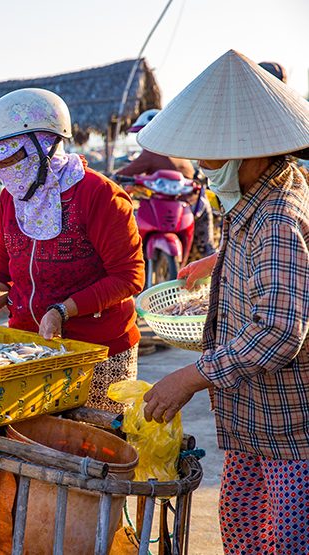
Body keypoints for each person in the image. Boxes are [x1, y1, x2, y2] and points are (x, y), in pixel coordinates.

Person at [138, 50, 309, 553]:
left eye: (213, 155)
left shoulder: (279, 215)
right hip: (249, 420)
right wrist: (215, 259)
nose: (206, 167)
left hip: (285, 428)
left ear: (254, 150)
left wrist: (189, 377)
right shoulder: (260, 195)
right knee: (245, 533)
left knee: (284, 542)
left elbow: (279, 330)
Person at [0, 88, 145, 413]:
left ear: (45, 146)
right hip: (28, 350)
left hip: (98, 351)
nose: (3, 168)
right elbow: (2, 273)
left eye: (12, 157)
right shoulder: (10, 197)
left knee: (91, 451)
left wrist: (63, 310)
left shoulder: (100, 195)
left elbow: (128, 277)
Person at [179, 58, 299, 288]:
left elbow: (276, 324)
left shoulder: (276, 223)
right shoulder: (248, 196)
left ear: (248, 154)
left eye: (211, 152)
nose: (202, 164)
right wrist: (217, 261)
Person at [117, 109, 217, 258]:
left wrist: (113, 177)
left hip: (170, 207)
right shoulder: (177, 150)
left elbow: (124, 173)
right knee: (206, 246)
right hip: (192, 203)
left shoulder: (151, 152)